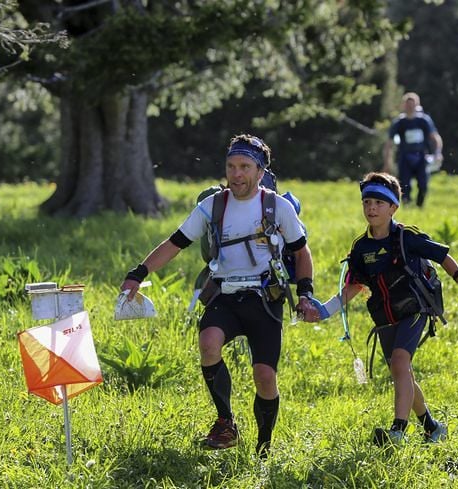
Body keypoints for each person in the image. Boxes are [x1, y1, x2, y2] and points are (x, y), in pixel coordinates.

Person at [120, 134, 316, 457]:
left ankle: (263, 446)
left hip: (265, 298)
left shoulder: (277, 207)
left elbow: (302, 251)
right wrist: (137, 275)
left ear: (261, 171)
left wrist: (305, 294)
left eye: (244, 167)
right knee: (208, 343)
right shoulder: (213, 206)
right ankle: (226, 422)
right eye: (231, 166)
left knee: (265, 377)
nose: (236, 174)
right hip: (224, 294)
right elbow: (175, 243)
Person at [302, 172, 458, 445]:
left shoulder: (406, 237)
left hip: (415, 309)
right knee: (402, 373)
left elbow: (442, 257)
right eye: (367, 202)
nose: (371, 208)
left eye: (378, 202)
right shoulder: (361, 247)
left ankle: (397, 432)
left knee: (400, 363)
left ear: (393, 208)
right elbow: (354, 286)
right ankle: (432, 427)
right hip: (385, 317)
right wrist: (325, 310)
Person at [382, 92, 443, 208]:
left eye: (412, 104)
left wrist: (438, 153)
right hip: (405, 156)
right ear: (403, 105)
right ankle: (407, 206)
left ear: (417, 105)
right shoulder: (399, 122)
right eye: (408, 104)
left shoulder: (424, 121)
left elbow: (435, 137)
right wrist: (387, 162)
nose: (410, 107)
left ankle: (420, 205)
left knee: (423, 184)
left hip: (421, 156)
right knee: (404, 185)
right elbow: (389, 143)